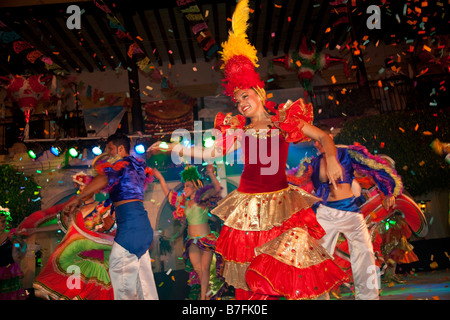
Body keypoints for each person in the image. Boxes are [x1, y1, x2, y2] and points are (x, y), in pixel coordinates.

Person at [148, 0, 348, 300]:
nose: (241, 103)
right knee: (251, 279)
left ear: (259, 93)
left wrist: (331, 158)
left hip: (282, 203)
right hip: (248, 209)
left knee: (295, 265)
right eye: (237, 99)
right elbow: (210, 153)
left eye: (245, 96)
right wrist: (170, 145)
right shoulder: (237, 129)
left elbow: (322, 136)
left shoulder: (284, 119)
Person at [305, 125, 403, 299]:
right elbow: (298, 181)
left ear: (328, 137)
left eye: (319, 139)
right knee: (316, 258)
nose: (316, 144)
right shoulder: (313, 163)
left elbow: (375, 167)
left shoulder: (346, 154)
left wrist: (389, 191)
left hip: (350, 211)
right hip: (325, 213)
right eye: (314, 141)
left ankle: (368, 297)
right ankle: (318, 296)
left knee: (364, 254)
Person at [63, 133, 158, 300]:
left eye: (111, 149)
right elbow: (121, 192)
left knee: (122, 289)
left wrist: (77, 198)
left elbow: (103, 178)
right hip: (143, 230)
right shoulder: (137, 167)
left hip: (129, 232)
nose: (108, 153)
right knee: (145, 287)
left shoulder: (121, 166)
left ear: (121, 149)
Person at [28, 171, 115, 300]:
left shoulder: (103, 208)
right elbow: (62, 226)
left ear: (94, 189)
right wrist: (36, 230)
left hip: (97, 257)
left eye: (84, 186)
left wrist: (109, 227)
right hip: (77, 259)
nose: (81, 189)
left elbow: (113, 229)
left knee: (94, 293)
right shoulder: (75, 210)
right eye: (79, 186)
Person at [153, 164, 225, 300]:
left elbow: (216, 188)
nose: (184, 188)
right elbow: (168, 193)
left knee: (204, 269)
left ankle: (204, 297)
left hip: (206, 239)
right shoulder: (183, 203)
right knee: (198, 269)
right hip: (192, 241)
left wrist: (211, 173)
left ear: (195, 187)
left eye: (187, 186)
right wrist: (160, 178)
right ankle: (208, 292)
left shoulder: (202, 200)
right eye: (184, 186)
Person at [0, 206, 28, 300]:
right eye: (3, 221)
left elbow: (22, 246)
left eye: (6, 221)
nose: (6, 223)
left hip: (8, 270)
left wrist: (15, 243)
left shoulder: (10, 235)